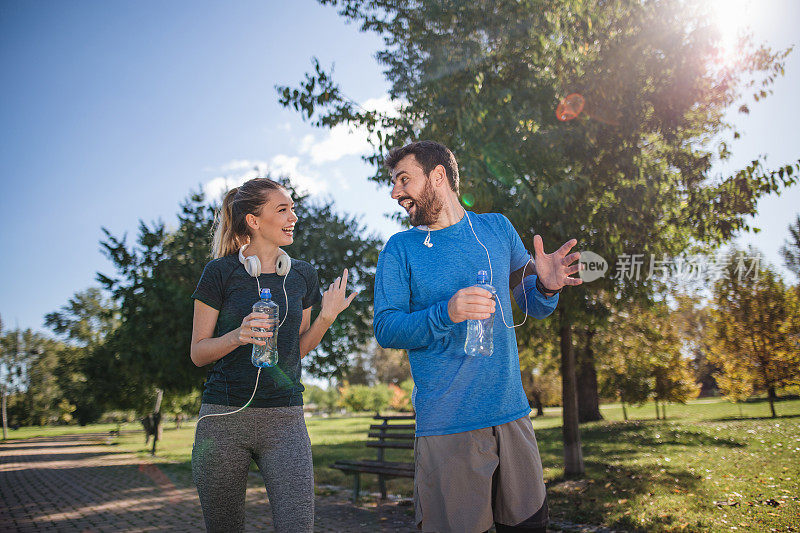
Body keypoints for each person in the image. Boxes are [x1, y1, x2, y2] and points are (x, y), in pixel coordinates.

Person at [374, 141, 582, 533]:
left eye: (404, 179)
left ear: (438, 177)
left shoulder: (497, 229)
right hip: (448, 428)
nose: (395, 192)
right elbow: (386, 328)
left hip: (512, 415)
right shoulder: (400, 249)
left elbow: (532, 302)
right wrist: (446, 313)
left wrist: (549, 287)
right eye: (393, 182)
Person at [189, 177, 356, 532]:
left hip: (285, 421)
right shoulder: (219, 273)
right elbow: (198, 352)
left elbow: (297, 349)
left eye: (293, 208)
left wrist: (326, 317)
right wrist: (238, 335)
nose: (293, 216)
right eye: (283, 209)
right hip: (222, 420)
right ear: (253, 220)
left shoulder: (301, 275)